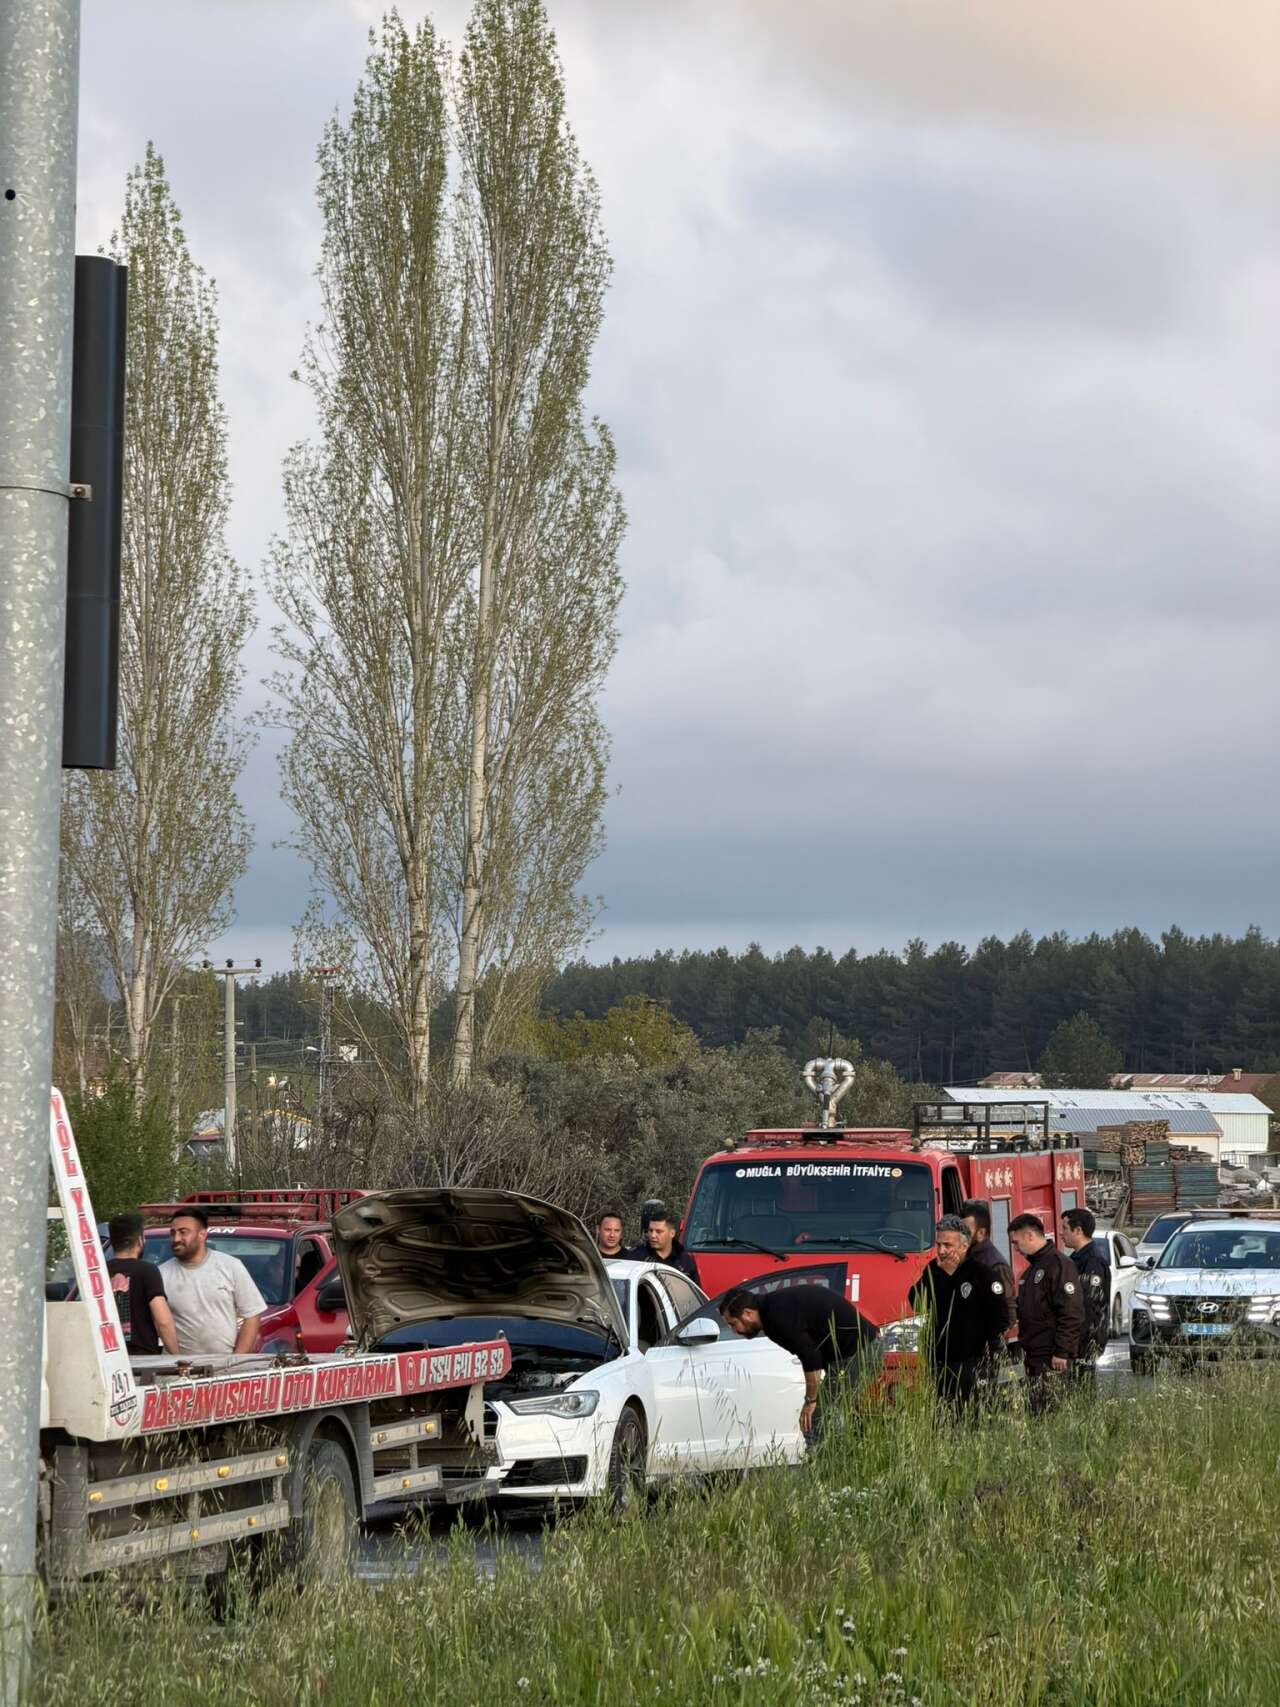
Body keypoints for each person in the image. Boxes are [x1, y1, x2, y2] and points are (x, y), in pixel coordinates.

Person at [720, 1284, 880, 1438]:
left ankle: (823, 1464)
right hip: (855, 1353)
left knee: (815, 1420)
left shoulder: (777, 1316)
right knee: (835, 1417)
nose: (735, 1331)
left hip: (860, 1353)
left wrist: (810, 1401)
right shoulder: (772, 1310)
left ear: (747, 1313)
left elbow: (811, 1358)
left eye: (734, 1324)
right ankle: (845, 1459)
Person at [908, 1215, 1008, 1406]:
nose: (942, 1250)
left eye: (948, 1245)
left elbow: (1000, 1319)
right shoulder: (934, 1270)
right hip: (940, 1361)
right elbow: (916, 1301)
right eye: (938, 1245)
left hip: (973, 1362)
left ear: (964, 1246)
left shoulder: (982, 1273)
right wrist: (943, 1275)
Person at [159, 1207, 266, 1357]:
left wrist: (236, 1360)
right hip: (179, 1369)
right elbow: (159, 1323)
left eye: (183, 1232)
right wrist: (176, 1360)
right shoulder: (161, 1274)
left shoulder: (231, 1266)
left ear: (202, 1234)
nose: (176, 1239)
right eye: (173, 1233)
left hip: (223, 1366)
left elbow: (252, 1316)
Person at [1009, 1213, 1084, 1413]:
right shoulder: (1032, 1270)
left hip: (1051, 1355)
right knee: (1036, 1412)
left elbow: (1071, 1311)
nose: (1015, 1249)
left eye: (1016, 1242)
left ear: (1030, 1236)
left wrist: (1062, 1351)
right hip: (1034, 1353)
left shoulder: (1059, 1265)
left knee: (1050, 1412)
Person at [106, 1213, 179, 1357]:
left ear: (113, 1241)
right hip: (142, 1358)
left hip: (106, 1356)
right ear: (140, 1240)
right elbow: (163, 1321)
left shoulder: (98, 1272)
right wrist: (176, 1355)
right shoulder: (147, 1271)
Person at [1061, 1207, 1110, 1383]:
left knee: (1082, 1389)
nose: (1061, 1234)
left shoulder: (1093, 1262)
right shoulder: (1076, 1259)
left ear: (1079, 1230)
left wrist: (1076, 1338)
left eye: (1065, 1228)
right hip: (1075, 1340)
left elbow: (1091, 1306)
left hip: (1085, 1340)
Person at [960, 1199, 1017, 1342]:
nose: (961, 1235)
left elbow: (1008, 1308)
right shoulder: (967, 1257)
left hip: (986, 1346)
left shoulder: (994, 1265)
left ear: (981, 1233)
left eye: (966, 1231)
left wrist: (995, 1340)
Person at [627, 1207, 700, 1285]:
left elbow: (695, 1292)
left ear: (672, 1233)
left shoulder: (684, 1261)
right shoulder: (636, 1257)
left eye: (658, 1231)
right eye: (650, 1230)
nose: (652, 1235)